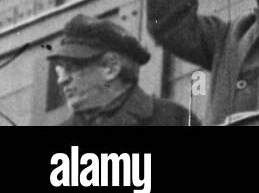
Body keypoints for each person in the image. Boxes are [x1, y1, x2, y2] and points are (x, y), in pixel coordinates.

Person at [47, 14, 193, 126]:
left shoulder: (172, 120)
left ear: (111, 68)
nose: (61, 80)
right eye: (61, 69)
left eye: (72, 68)